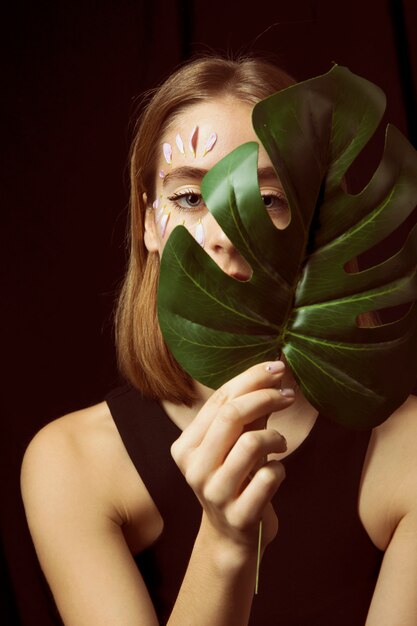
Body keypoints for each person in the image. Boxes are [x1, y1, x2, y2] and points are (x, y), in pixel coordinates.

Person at [21, 56, 417, 626]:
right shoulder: (71, 463)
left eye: (269, 200)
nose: (226, 236)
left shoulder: (405, 451)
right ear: (148, 222)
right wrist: (225, 541)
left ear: (316, 225)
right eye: (188, 198)